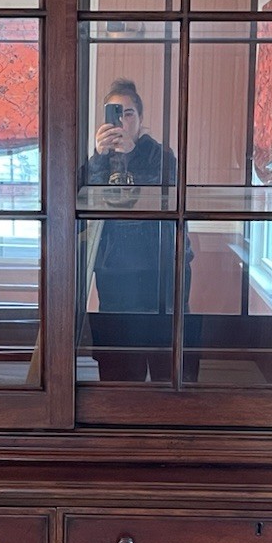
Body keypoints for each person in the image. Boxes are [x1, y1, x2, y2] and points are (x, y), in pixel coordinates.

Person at [82, 78, 189, 382]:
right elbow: (83, 196)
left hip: (160, 276)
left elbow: (163, 194)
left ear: (141, 120)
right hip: (115, 276)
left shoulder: (160, 156)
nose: (123, 120)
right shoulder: (99, 159)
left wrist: (131, 154)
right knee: (118, 368)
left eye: (129, 113)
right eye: (116, 113)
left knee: (165, 366)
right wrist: (99, 156)